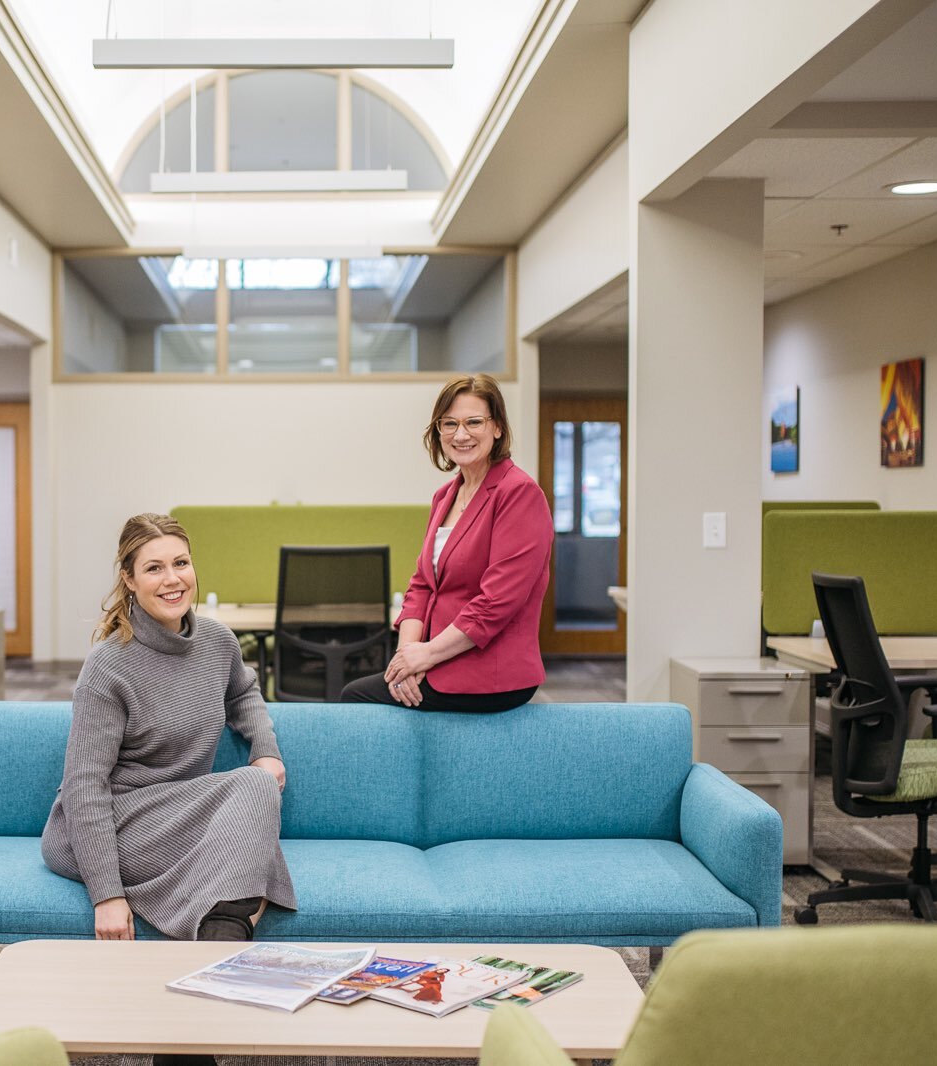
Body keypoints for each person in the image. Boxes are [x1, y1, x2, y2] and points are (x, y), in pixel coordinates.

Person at [41, 513, 295, 947]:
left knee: (258, 784)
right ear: (129, 580)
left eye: (180, 563)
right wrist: (107, 895)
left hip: (180, 812)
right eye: (154, 568)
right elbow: (84, 785)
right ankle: (225, 940)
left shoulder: (217, 642)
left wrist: (265, 749)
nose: (171, 579)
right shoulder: (108, 666)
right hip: (115, 821)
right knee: (252, 828)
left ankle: (220, 938)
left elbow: (243, 693)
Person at [342, 373, 553, 712]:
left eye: (474, 422)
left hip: (491, 672)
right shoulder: (445, 496)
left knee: (356, 696)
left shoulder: (519, 493)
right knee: (377, 689)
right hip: (440, 659)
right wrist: (405, 658)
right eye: (450, 424)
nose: (461, 434)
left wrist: (425, 654)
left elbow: (496, 603)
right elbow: (422, 586)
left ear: (497, 427)